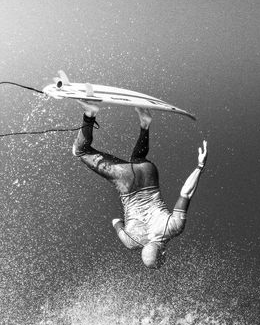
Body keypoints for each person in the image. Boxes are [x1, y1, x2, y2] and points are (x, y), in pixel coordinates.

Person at [72, 102, 207, 269]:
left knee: (137, 159)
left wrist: (200, 166)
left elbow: (186, 193)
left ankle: (145, 123)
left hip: (149, 174)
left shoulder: (174, 228)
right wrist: (124, 224)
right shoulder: (131, 242)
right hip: (126, 181)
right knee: (81, 151)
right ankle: (90, 113)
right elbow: (116, 221)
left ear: (163, 252)